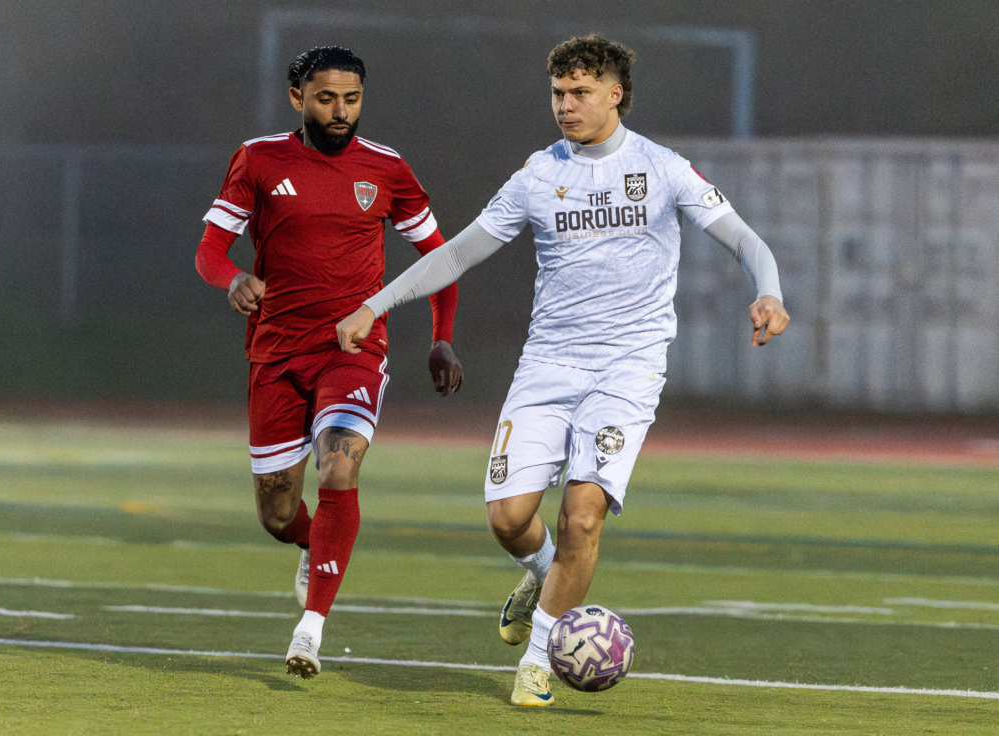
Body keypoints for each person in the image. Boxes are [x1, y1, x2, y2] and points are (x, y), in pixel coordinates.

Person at [337, 34, 789, 705]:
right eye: (557, 93)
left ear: (617, 94)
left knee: (582, 517)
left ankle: (538, 664)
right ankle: (541, 574)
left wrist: (770, 289)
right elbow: (458, 254)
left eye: (580, 93)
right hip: (548, 364)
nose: (565, 106)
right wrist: (377, 304)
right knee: (507, 519)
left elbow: (745, 238)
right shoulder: (537, 177)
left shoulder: (663, 170)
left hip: (628, 370)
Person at [195, 45, 463, 680]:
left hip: (353, 349)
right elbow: (209, 248)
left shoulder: (388, 169)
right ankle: (312, 546)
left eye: (352, 98)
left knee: (339, 469)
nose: (341, 111)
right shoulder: (258, 159)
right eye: (326, 98)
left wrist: (440, 337)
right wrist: (232, 278)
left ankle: (309, 631)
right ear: (298, 99)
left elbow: (441, 259)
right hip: (275, 352)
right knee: (277, 512)